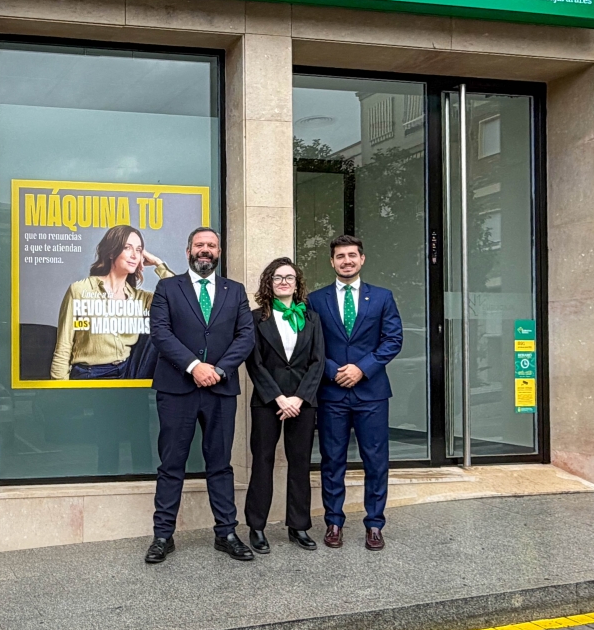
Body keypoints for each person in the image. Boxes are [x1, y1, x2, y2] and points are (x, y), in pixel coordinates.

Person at [144, 227, 257, 564]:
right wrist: (195, 366)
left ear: (219, 252)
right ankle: (163, 535)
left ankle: (226, 532)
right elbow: (160, 333)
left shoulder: (234, 291)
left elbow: (245, 336)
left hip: (220, 389)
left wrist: (218, 370)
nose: (205, 250)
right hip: (178, 389)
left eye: (211, 245)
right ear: (188, 249)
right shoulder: (167, 288)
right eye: (199, 245)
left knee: (220, 463)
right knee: (172, 463)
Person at [306, 235, 403, 551]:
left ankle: (375, 524)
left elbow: (393, 340)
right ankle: (333, 522)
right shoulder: (315, 300)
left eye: (351, 255)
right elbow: (311, 344)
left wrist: (362, 368)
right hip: (332, 394)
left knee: (376, 460)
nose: (346, 261)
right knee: (332, 460)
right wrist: (334, 370)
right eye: (339, 256)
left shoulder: (382, 297)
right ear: (332, 262)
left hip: (371, 393)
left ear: (362, 259)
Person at [244, 257, 325, 553]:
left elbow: (319, 361)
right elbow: (254, 363)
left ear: (297, 283)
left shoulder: (311, 318)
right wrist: (278, 397)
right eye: (278, 278)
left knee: (300, 463)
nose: (284, 282)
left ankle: (299, 526)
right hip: (268, 401)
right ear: (269, 282)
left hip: (303, 402)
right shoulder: (256, 318)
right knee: (262, 462)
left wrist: (299, 398)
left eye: (289, 277)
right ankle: (256, 526)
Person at [50, 224, 173, 380]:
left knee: (162, 331)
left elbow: (179, 299)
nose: (135, 255)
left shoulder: (141, 298)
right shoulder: (80, 290)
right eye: (127, 248)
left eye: (139, 250)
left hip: (128, 373)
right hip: (90, 375)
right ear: (111, 252)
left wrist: (158, 263)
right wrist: (60, 389)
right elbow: (64, 345)